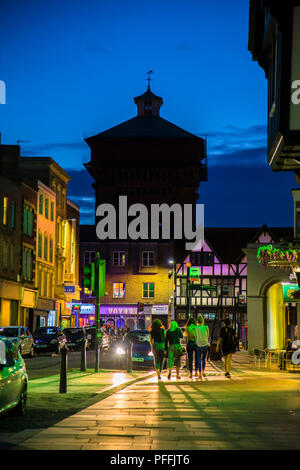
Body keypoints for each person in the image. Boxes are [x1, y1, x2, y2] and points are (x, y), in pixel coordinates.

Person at [195, 315, 210, 379]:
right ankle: (203, 371)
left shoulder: (196, 328)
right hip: (205, 344)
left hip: (198, 344)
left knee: (198, 359)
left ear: (197, 321)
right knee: (204, 358)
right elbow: (208, 335)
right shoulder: (206, 327)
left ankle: (200, 373)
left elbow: (195, 336)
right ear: (203, 321)